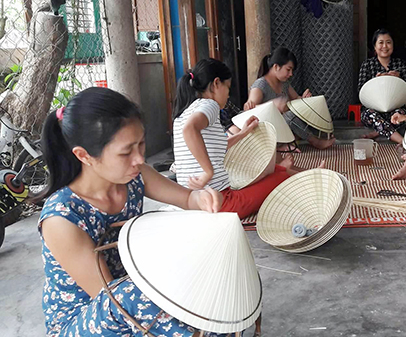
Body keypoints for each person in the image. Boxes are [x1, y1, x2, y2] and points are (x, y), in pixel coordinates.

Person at [37, 87, 229, 336]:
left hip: (134, 297)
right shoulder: (61, 218)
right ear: (84, 156)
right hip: (90, 316)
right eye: (126, 152)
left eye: (141, 144)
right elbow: (111, 298)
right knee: (132, 294)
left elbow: (188, 198)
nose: (139, 158)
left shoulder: (134, 177)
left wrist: (204, 197)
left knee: (210, 267)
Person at [173, 58, 319, 219]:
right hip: (221, 204)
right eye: (227, 88)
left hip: (195, 203)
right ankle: (316, 179)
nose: (228, 94)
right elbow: (190, 130)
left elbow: (214, 146)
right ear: (216, 84)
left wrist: (243, 133)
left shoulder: (186, 111)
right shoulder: (210, 105)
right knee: (281, 176)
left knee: (278, 170)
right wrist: (208, 172)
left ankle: (314, 174)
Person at [243, 47, 335, 150]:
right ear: (276, 67)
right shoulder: (261, 84)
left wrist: (304, 100)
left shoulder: (284, 84)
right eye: (288, 69)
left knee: (299, 114)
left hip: (283, 128)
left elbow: (296, 100)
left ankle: (289, 142)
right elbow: (249, 111)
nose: (291, 74)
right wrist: (272, 105)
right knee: (289, 116)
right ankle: (315, 141)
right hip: (268, 130)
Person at [358, 28, 406, 145]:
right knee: (370, 114)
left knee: (401, 114)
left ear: (393, 45)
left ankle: (378, 131)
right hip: (373, 110)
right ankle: (402, 141)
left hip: (395, 108)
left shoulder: (399, 64)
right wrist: (375, 81)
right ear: (374, 46)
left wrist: (398, 80)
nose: (385, 46)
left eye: (388, 42)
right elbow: (361, 91)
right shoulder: (367, 65)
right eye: (381, 42)